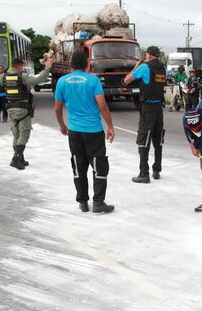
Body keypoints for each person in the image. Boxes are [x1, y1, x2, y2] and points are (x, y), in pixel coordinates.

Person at [54, 51, 116, 214]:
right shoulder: (93, 80)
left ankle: (82, 202)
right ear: (87, 64)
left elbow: (57, 107)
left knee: (78, 165)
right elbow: (102, 105)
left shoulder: (62, 81)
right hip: (93, 131)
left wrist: (62, 124)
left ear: (70, 65)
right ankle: (98, 202)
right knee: (99, 166)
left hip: (74, 131)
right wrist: (110, 126)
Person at [0, 57, 53, 170]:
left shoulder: (3, 77)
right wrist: (47, 68)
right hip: (22, 109)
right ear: (19, 66)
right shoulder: (22, 76)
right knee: (24, 134)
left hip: (11, 109)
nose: (23, 68)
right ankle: (15, 159)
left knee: (16, 134)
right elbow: (38, 79)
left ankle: (21, 159)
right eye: (22, 66)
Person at [122, 45, 166, 183]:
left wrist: (135, 67)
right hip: (159, 107)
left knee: (143, 139)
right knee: (157, 140)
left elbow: (125, 81)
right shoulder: (163, 69)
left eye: (146, 54)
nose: (145, 57)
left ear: (150, 55)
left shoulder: (145, 67)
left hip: (148, 107)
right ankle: (157, 170)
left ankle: (144, 173)